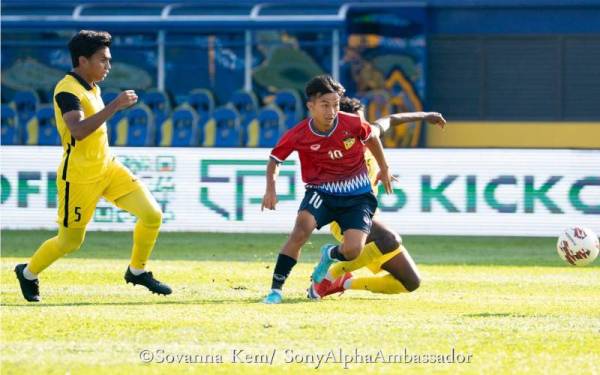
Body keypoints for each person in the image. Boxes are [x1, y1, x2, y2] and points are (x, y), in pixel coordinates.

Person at [14, 30, 171, 302]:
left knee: (152, 214)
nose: (108, 66)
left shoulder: (92, 87)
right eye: (103, 60)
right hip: (79, 177)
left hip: (108, 168)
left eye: (109, 60)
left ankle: (137, 270)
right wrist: (115, 106)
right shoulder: (66, 89)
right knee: (70, 242)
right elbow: (77, 130)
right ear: (82, 60)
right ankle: (27, 273)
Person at [261, 75, 394, 304]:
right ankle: (275, 290)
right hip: (321, 192)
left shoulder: (351, 123)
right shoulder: (299, 134)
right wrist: (270, 189)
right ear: (310, 106)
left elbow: (372, 138)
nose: (331, 111)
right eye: (325, 105)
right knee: (301, 230)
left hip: (358, 196)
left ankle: (329, 255)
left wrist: (384, 168)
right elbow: (275, 159)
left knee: (353, 251)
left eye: (335, 105)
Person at [308, 96, 446, 299]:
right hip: (345, 219)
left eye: (362, 122)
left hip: (371, 219)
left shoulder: (368, 133)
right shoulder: (332, 151)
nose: (361, 129)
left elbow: (392, 118)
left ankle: (343, 282)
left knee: (410, 282)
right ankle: (329, 274)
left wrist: (427, 116)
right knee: (390, 239)